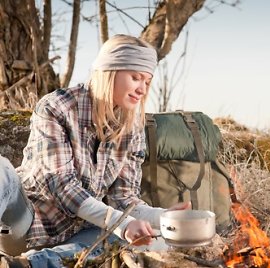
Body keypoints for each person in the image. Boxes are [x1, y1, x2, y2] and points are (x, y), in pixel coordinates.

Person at [0, 34, 189, 268]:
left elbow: (124, 200)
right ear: (110, 71)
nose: (142, 89)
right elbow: (63, 186)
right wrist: (121, 223)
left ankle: (26, 265)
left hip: (80, 233)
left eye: (147, 82)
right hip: (27, 223)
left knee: (155, 240)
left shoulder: (133, 129)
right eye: (136, 77)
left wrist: (165, 217)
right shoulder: (57, 107)